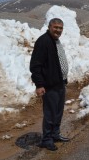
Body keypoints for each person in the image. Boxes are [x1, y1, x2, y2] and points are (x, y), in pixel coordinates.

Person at [30, 17, 70, 151]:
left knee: (58, 112)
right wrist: (39, 85)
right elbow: (35, 66)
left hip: (59, 83)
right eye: (56, 27)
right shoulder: (43, 42)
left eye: (60, 28)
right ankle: (46, 139)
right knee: (50, 114)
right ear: (49, 27)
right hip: (49, 85)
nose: (58, 30)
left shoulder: (56, 41)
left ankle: (55, 134)